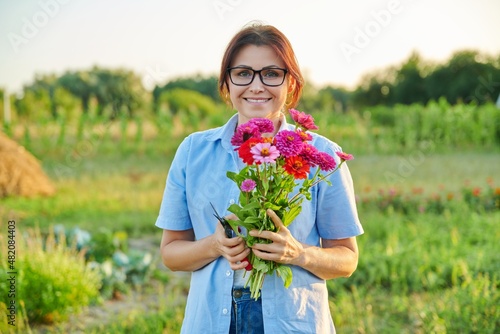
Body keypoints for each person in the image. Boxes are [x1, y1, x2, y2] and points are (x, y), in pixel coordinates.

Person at [156, 22, 363, 334]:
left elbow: (347, 259)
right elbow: (171, 253)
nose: (256, 86)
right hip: (211, 321)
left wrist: (299, 253)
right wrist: (214, 245)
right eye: (242, 73)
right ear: (226, 83)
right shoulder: (192, 152)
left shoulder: (321, 155)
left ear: (290, 84)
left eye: (271, 73)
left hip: (291, 322)